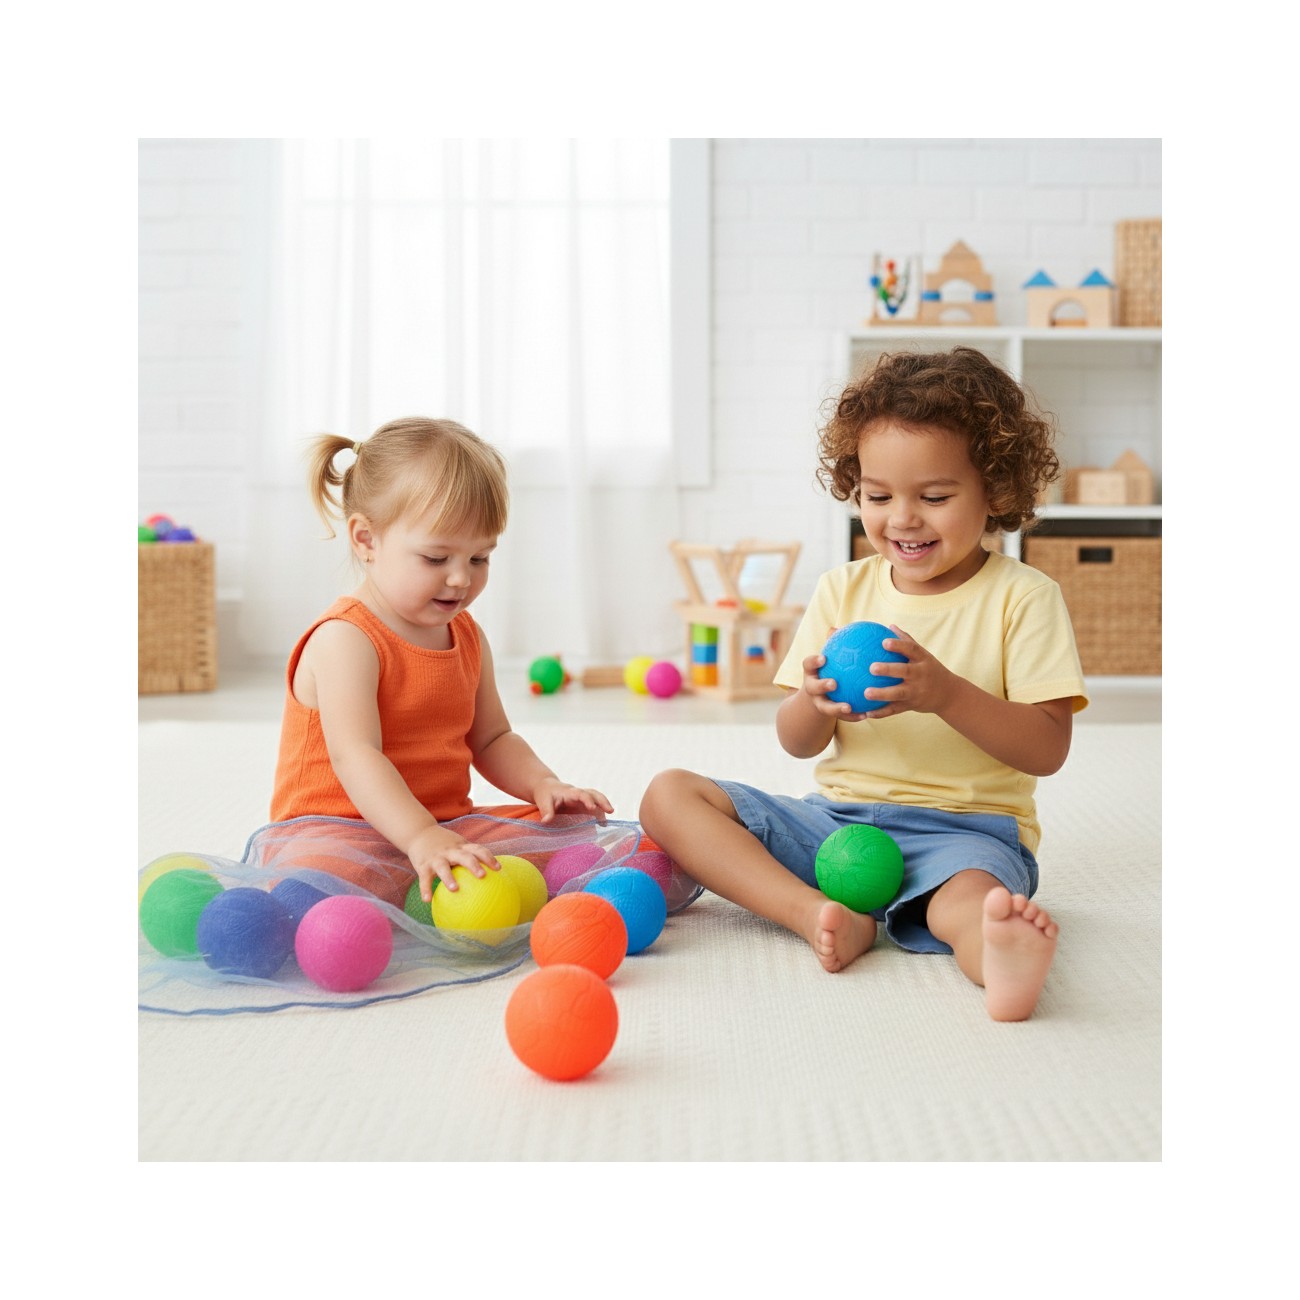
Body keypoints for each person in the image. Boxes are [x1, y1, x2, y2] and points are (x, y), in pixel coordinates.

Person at [639, 348, 1088, 1021]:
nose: (902, 517)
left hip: (962, 835)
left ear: (995, 489)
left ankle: (999, 953)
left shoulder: (1024, 598)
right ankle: (813, 912)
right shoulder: (841, 591)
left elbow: (1047, 749)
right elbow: (796, 742)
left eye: (934, 497)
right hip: (838, 828)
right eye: (878, 496)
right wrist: (813, 702)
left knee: (972, 903)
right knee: (669, 794)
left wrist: (946, 694)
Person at [270, 416, 613, 906]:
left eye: (479, 559)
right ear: (366, 540)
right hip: (339, 834)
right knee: (324, 879)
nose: (460, 580)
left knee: (572, 830)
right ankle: (398, 888)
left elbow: (492, 738)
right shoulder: (345, 639)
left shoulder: (467, 635)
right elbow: (356, 756)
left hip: (445, 826)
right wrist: (419, 836)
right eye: (436, 559)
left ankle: (438, 882)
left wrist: (544, 784)